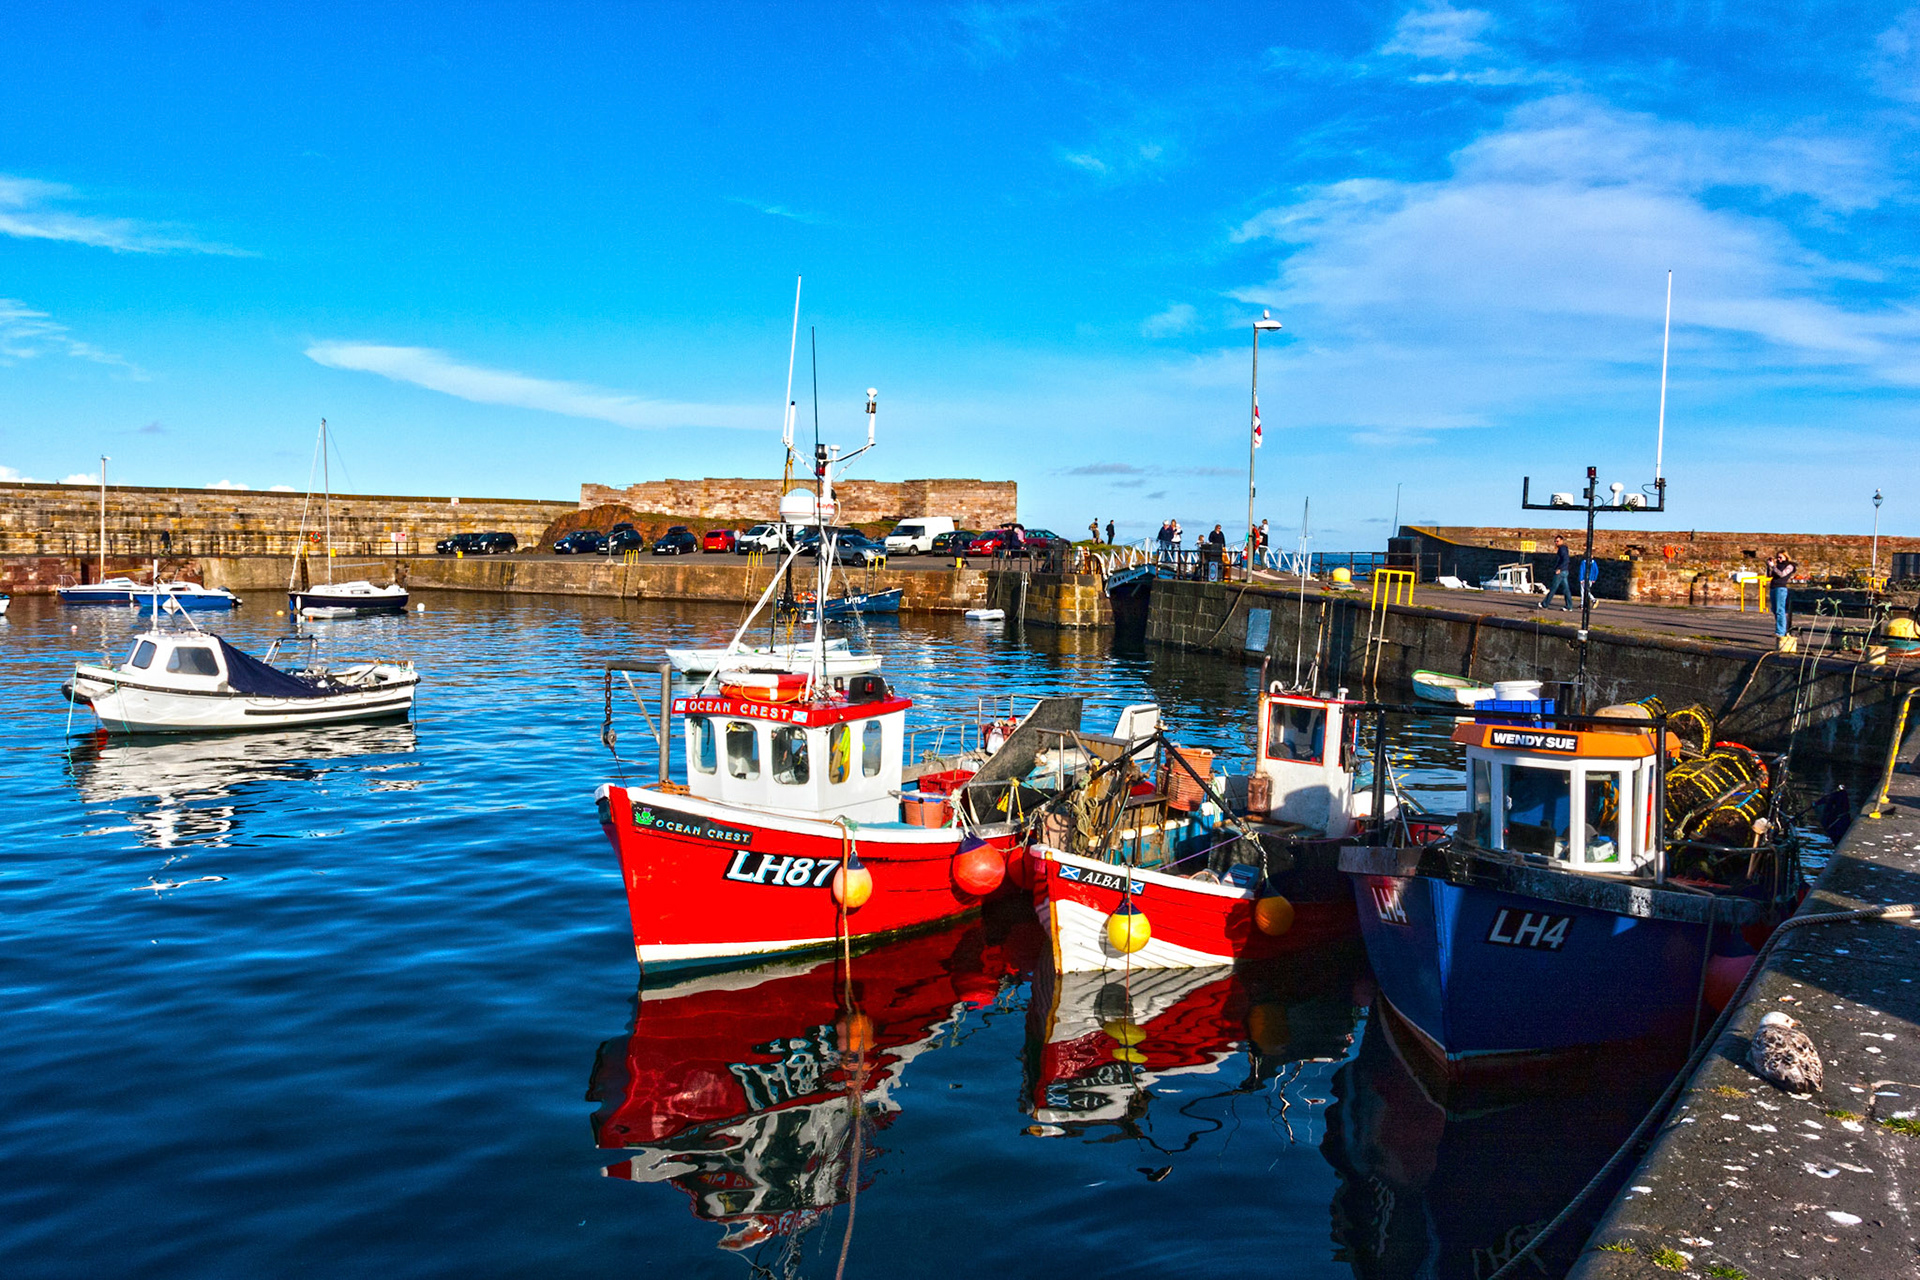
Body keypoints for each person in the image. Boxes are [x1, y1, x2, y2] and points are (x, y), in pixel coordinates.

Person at [1768, 550, 1797, 638]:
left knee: (1780, 610)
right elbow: (1769, 575)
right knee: (1774, 609)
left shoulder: (1790, 566)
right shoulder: (1777, 566)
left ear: (1786, 557)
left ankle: (1781, 631)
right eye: (1777, 557)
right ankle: (1779, 629)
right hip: (1773, 587)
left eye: (1781, 557)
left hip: (1781, 588)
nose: (1779, 559)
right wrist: (1769, 566)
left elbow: (1781, 574)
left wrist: (1773, 567)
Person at [1540, 536, 1573, 611]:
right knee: (1566, 589)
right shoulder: (1563, 549)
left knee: (1553, 587)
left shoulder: (1562, 549)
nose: (1556, 543)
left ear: (1562, 541)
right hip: (1565, 571)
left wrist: (1559, 569)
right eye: (1555, 541)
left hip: (1561, 572)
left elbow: (1566, 560)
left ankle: (1545, 604)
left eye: (1557, 541)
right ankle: (1569, 606)